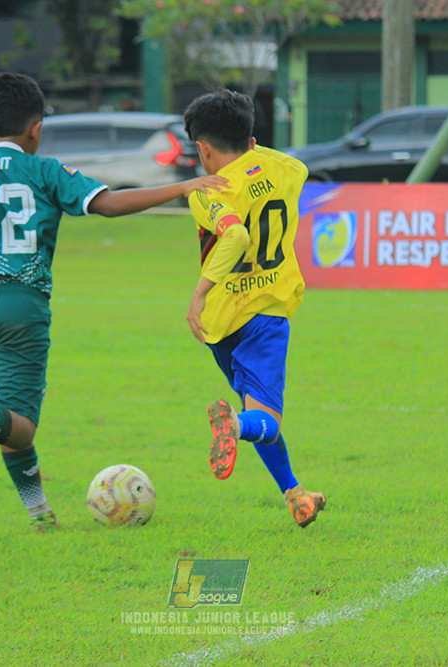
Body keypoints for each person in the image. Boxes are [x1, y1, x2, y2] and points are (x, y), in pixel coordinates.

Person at [0, 72, 226, 529]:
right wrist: (182, 187)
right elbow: (108, 204)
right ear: (36, 129)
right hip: (20, 306)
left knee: (7, 420)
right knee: (17, 421)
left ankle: (39, 513)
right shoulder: (44, 171)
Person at [182, 89, 326, 528]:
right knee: (258, 417)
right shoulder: (289, 169)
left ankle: (296, 495)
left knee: (255, 409)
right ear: (250, 136)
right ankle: (237, 427)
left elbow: (233, 233)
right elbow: (243, 233)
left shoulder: (205, 192)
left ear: (203, 149)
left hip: (222, 322)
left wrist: (201, 295)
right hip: (266, 311)